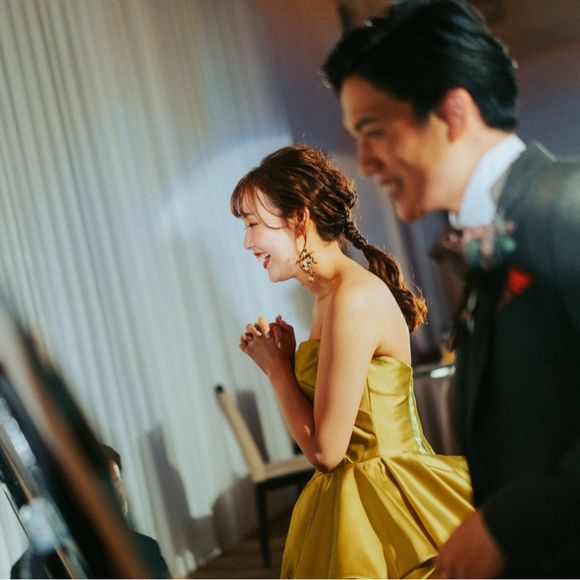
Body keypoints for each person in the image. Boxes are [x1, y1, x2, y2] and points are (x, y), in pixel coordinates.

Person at [322, 0, 580, 577]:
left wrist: (507, 525)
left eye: (373, 131)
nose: (364, 161)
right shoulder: (484, 237)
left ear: (453, 112)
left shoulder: (567, 205)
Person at [231, 144, 473, 578]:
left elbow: (326, 451)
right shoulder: (327, 297)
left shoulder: (351, 297)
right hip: (355, 495)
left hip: (391, 498)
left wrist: (278, 370)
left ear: (298, 218)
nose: (247, 242)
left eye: (252, 224)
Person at [10, 444, 171, 579]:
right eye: (107, 486)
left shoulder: (145, 549)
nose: (117, 494)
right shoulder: (31, 568)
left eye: (117, 482)